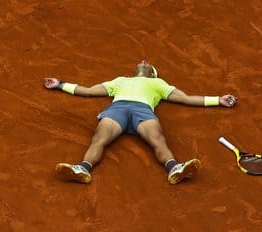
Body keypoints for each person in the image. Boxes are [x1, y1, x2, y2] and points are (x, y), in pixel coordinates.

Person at [43, 60, 237, 184]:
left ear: (153, 74)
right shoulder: (120, 81)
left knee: (158, 140)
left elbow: (186, 98)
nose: (143, 61)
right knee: (98, 139)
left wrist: (217, 99)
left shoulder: (158, 84)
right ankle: (82, 168)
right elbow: (88, 90)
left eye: (148, 64)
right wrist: (60, 84)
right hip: (117, 108)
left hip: (142, 110)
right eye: (142, 62)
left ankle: (174, 168)